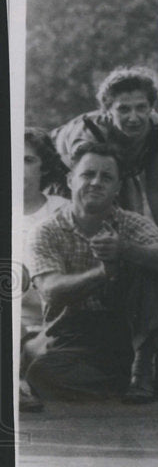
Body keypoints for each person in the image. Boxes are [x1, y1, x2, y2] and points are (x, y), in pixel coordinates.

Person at [24, 142, 158, 404]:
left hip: (132, 331)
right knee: (41, 375)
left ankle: (143, 368)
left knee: (149, 261)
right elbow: (51, 290)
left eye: (106, 177)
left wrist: (126, 250)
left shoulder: (131, 223)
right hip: (74, 333)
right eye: (88, 174)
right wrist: (104, 273)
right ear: (71, 180)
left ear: (118, 188)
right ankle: (147, 383)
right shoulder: (46, 230)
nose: (96, 183)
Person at [54, 66, 158, 234]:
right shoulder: (91, 134)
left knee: (133, 225)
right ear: (107, 111)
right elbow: (86, 190)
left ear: (151, 108)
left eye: (141, 107)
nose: (134, 118)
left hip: (119, 173)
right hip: (59, 171)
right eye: (123, 109)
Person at [19, 129, 70, 411]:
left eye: (27, 159)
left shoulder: (61, 212)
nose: (17, 167)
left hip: (50, 328)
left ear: (45, 166)